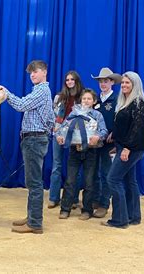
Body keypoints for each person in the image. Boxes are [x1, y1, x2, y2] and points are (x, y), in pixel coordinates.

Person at [6, 60, 55, 234]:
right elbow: (51, 119)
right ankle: (31, 216)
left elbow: (20, 105)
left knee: (34, 183)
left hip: (34, 140)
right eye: (30, 72)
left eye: (36, 71)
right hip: (36, 139)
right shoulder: (42, 91)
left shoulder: (41, 91)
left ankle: (35, 223)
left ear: (45, 72)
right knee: (33, 181)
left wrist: (6, 94)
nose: (32, 75)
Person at [102, 71, 144, 229]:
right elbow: (124, 125)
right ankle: (133, 216)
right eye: (123, 83)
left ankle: (120, 219)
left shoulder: (138, 103)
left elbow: (137, 129)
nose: (124, 85)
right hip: (124, 145)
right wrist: (116, 138)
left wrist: (126, 148)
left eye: (128, 83)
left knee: (113, 179)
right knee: (130, 181)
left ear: (135, 84)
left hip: (132, 148)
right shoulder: (126, 101)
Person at [56, 89, 108, 220]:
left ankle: (87, 210)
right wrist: (59, 136)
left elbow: (104, 131)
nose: (86, 101)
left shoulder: (97, 115)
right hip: (74, 151)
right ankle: (65, 208)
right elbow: (62, 128)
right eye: (84, 98)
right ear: (80, 100)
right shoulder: (74, 113)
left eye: (89, 99)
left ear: (94, 101)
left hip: (90, 151)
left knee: (89, 182)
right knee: (70, 180)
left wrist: (98, 136)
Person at [48, 71, 84, 209]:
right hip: (58, 134)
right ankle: (53, 197)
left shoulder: (82, 98)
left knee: (74, 168)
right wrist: (55, 131)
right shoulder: (59, 97)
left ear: (77, 81)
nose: (69, 82)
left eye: (72, 79)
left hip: (76, 136)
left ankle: (73, 199)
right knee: (56, 166)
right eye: (67, 79)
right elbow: (53, 115)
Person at [90, 67, 122, 218]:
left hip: (108, 143)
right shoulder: (95, 99)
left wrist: (115, 133)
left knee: (106, 173)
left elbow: (121, 119)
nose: (103, 84)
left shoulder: (116, 99)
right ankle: (95, 199)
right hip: (94, 141)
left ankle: (104, 204)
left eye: (106, 81)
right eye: (101, 81)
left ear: (112, 82)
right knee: (93, 172)